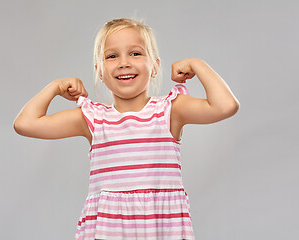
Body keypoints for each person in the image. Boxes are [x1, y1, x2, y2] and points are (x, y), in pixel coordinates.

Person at [13, 18, 239, 240]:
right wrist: (55, 87)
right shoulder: (93, 119)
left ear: (155, 67)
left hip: (160, 227)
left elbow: (225, 106)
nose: (124, 62)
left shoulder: (170, 110)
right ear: (100, 71)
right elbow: (25, 124)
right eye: (112, 56)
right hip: (110, 229)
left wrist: (197, 64)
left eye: (135, 53)